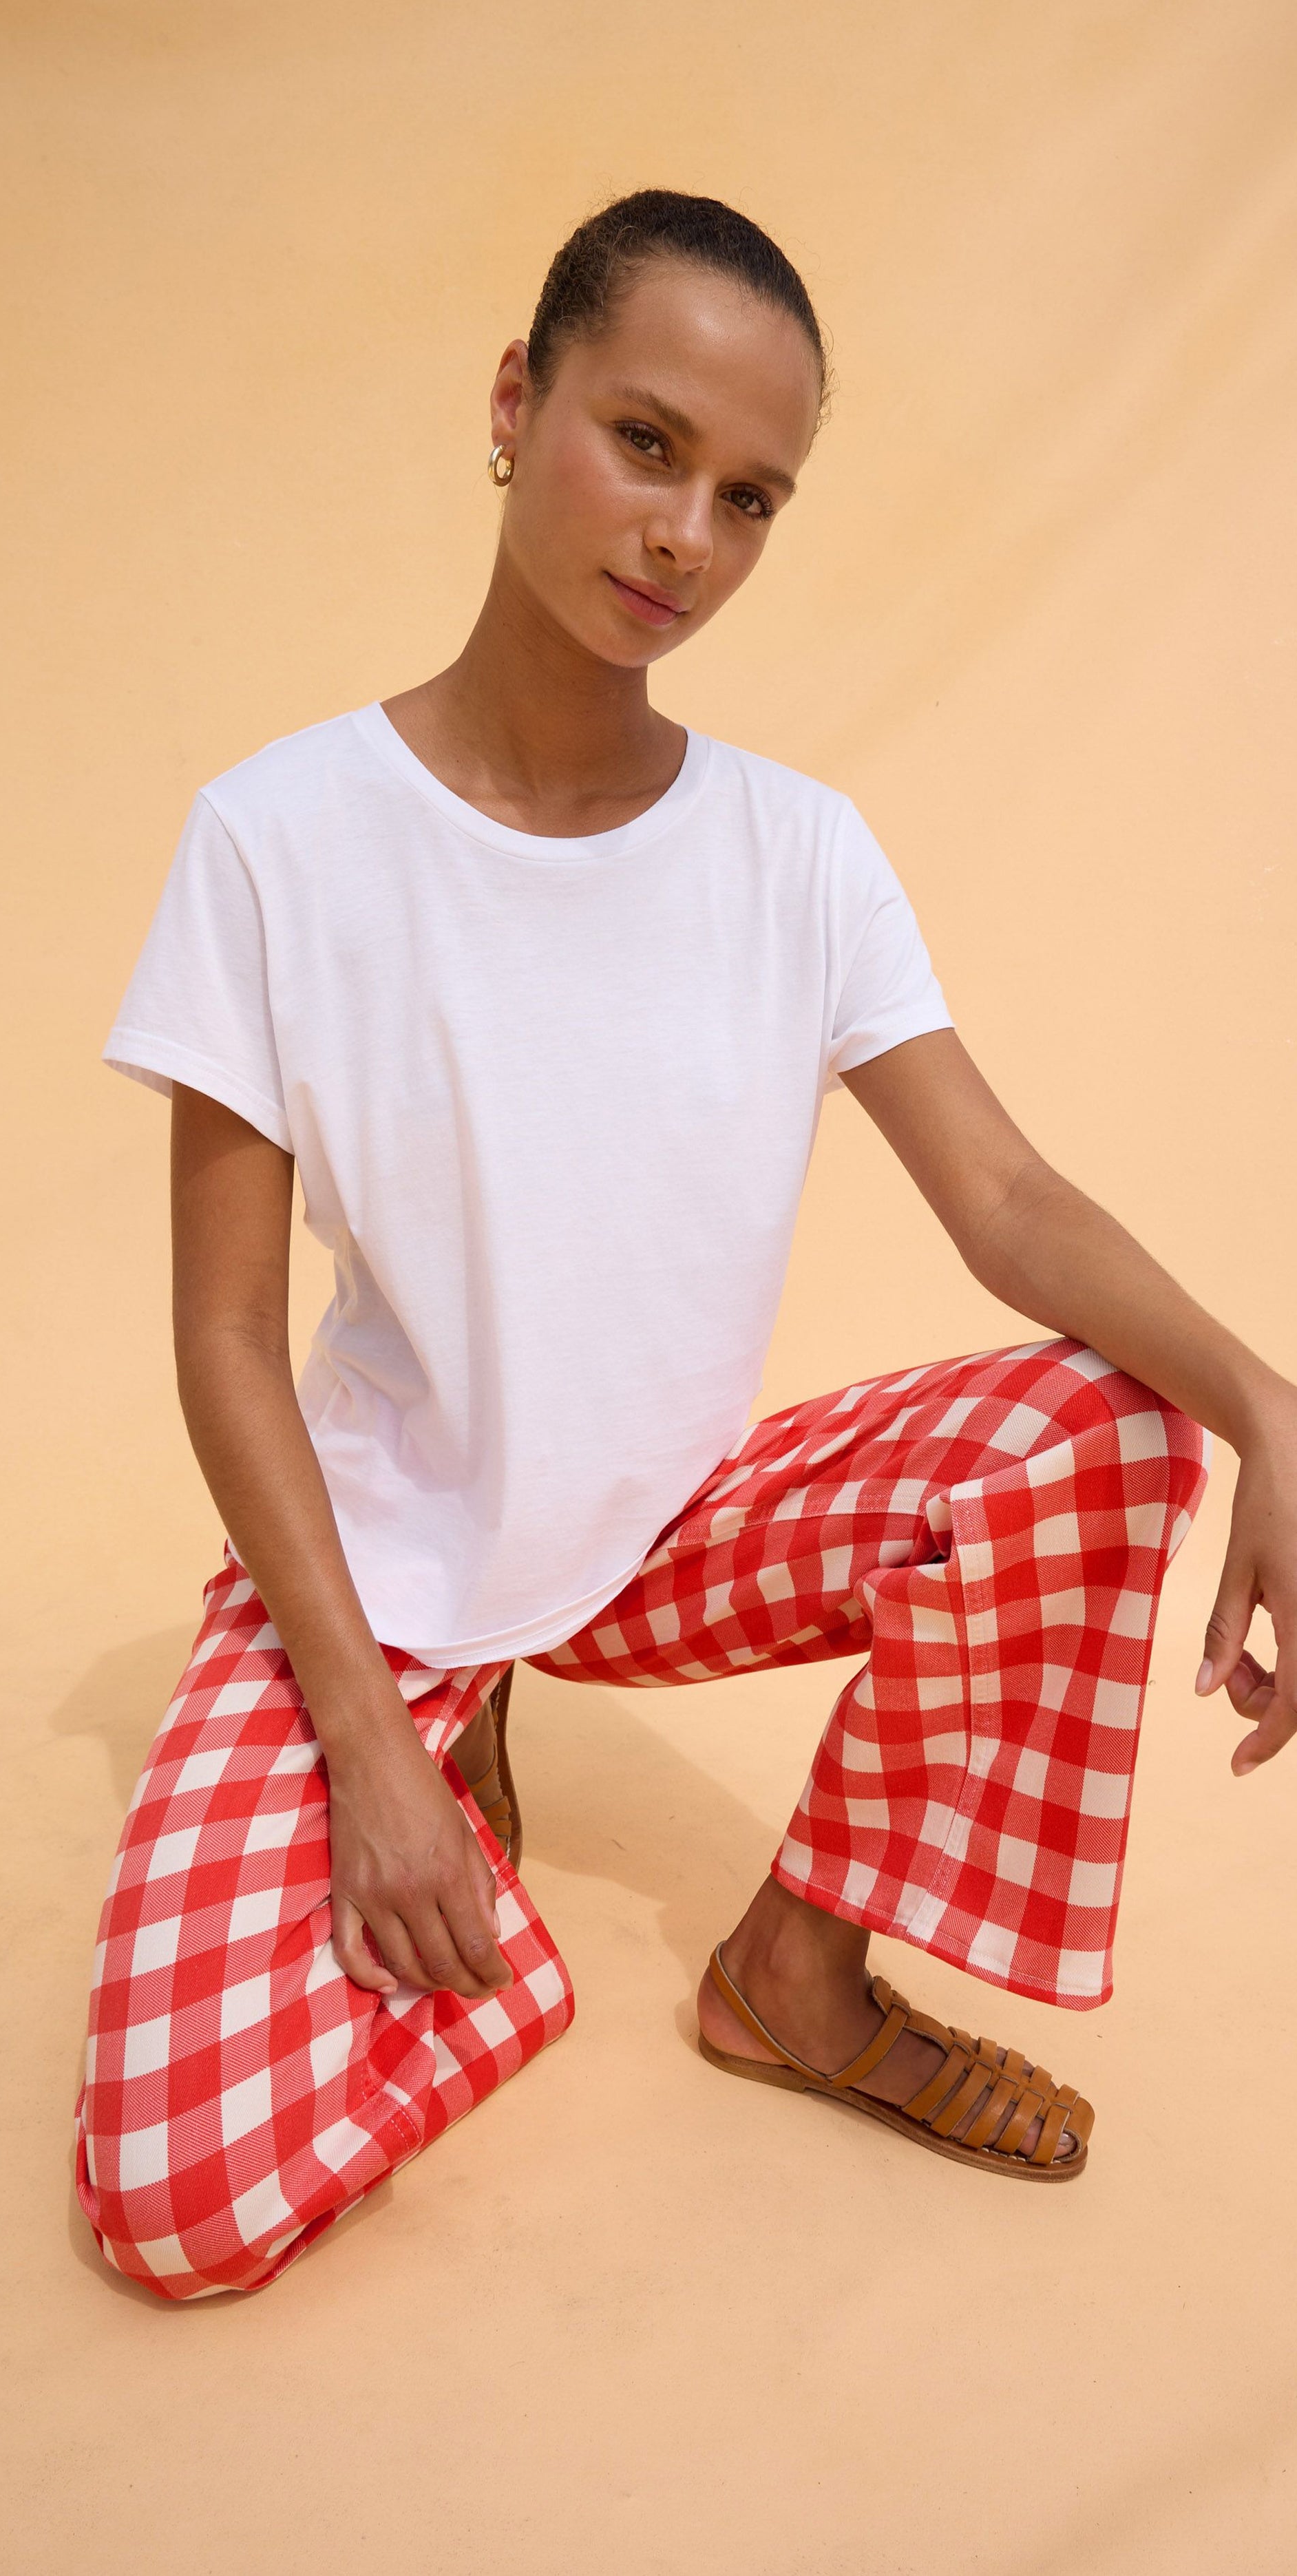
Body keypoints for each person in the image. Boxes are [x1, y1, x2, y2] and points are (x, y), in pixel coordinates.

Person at [76, 189, 1297, 2301]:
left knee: (1115, 1429)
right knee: (176, 2205)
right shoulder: (276, 838)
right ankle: (464, 1781)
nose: (687, 541)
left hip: (685, 1528)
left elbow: (1002, 1202)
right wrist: (370, 1742)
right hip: (389, 1569)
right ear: (512, 402)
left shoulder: (798, 855)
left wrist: (1270, 1400)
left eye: (751, 498)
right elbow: (224, 1337)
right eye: (645, 445)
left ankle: (794, 1977)